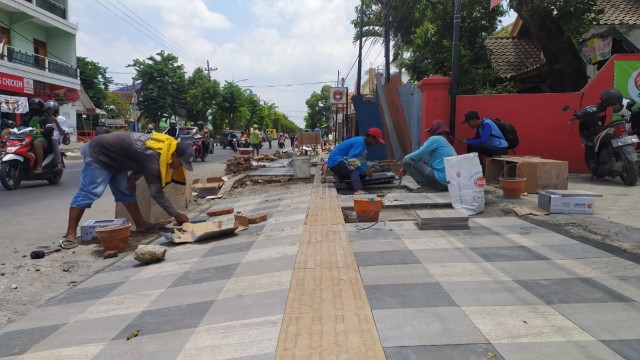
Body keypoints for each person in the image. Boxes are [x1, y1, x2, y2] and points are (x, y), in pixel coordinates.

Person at [62, 131, 194, 244]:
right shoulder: (154, 155)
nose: (179, 167)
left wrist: (132, 179)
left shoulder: (164, 148)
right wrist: (176, 215)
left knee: (126, 191)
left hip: (117, 159)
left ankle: (141, 224)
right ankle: (70, 234)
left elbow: (140, 161)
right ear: (174, 155)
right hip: (98, 153)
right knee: (91, 192)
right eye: (180, 163)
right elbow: (156, 192)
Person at [401, 119, 456, 191]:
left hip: (439, 180)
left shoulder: (435, 139)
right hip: (449, 184)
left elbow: (417, 155)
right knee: (424, 159)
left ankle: (426, 186)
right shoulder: (446, 142)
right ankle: (431, 185)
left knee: (406, 160)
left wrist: (404, 165)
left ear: (434, 130)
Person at [327, 127, 385, 195]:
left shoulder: (362, 142)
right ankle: (358, 190)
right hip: (336, 160)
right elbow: (352, 160)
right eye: (376, 141)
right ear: (371, 137)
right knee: (353, 171)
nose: (376, 143)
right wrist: (364, 170)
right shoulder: (360, 143)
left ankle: (338, 175)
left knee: (361, 175)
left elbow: (360, 160)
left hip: (337, 162)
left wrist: (365, 170)